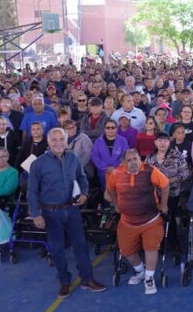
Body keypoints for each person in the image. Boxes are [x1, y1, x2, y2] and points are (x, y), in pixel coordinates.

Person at [28, 127, 107, 297]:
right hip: (50, 213)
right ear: (49, 142)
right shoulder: (38, 163)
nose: (58, 143)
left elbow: (82, 177)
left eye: (61, 139)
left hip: (71, 210)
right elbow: (32, 191)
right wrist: (36, 214)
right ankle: (64, 281)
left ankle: (87, 279)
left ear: (66, 141)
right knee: (57, 248)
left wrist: (85, 193)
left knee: (80, 245)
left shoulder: (73, 158)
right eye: (54, 140)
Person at [105, 149, 170, 295]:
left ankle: (149, 278)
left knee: (151, 247)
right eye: (129, 160)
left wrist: (164, 205)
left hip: (151, 220)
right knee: (127, 250)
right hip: (127, 221)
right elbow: (110, 190)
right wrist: (116, 205)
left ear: (140, 160)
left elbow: (165, 185)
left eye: (135, 159)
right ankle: (140, 271)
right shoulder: (116, 173)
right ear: (123, 163)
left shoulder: (150, 170)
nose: (133, 162)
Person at [145, 132, 191, 256]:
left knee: (169, 219)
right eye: (160, 140)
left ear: (169, 142)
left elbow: (185, 173)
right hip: (153, 195)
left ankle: (173, 243)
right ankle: (157, 243)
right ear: (155, 142)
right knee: (155, 220)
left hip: (172, 193)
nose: (162, 143)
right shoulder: (149, 158)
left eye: (165, 140)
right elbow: (144, 175)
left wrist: (168, 181)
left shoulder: (177, 156)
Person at [92, 120, 129, 190]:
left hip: (119, 172)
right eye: (108, 127)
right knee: (106, 195)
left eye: (113, 127)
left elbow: (125, 156)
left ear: (117, 128)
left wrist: (115, 167)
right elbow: (95, 157)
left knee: (120, 194)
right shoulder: (98, 142)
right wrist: (106, 168)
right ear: (104, 129)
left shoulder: (123, 141)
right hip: (103, 174)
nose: (110, 129)